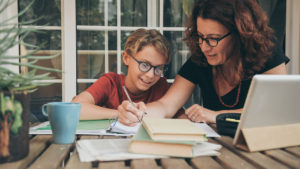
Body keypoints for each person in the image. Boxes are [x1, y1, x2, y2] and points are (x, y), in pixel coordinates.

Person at [117, 0, 289, 126]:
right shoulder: (200, 60)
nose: (204, 47)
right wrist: (139, 112)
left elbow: (278, 109)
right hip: (217, 148)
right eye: (200, 37)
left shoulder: (268, 54)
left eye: (213, 39)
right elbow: (166, 106)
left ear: (239, 33)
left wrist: (215, 115)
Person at [72, 28, 184, 120]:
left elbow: (182, 119)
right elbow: (75, 108)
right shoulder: (111, 83)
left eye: (159, 68)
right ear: (126, 58)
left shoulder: (161, 86)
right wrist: (119, 114)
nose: (151, 75)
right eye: (145, 65)